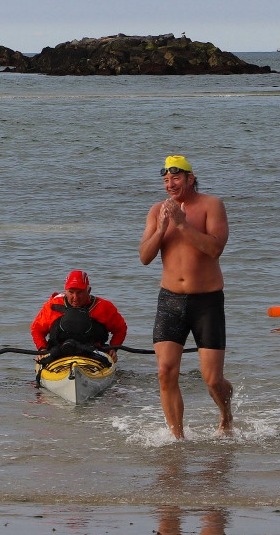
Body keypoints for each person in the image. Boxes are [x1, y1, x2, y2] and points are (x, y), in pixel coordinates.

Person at [138, 155, 233, 439]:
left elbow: (215, 249)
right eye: (166, 180)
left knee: (213, 380)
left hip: (207, 302)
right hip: (170, 301)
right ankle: (177, 439)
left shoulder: (211, 205)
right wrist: (163, 228)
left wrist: (182, 225)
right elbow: (144, 257)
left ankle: (226, 415)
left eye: (176, 178)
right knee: (166, 372)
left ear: (191, 179)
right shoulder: (157, 210)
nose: (170, 184)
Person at [30, 270, 128, 363]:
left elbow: (120, 328)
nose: (75, 298)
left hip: (93, 352)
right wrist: (42, 349)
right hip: (59, 352)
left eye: (80, 292)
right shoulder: (52, 306)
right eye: (71, 292)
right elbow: (36, 329)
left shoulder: (104, 307)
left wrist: (113, 348)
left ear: (88, 290)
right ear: (66, 291)